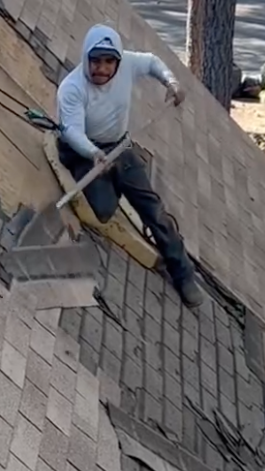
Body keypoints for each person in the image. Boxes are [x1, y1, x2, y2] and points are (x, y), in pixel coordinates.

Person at [56, 24, 204, 308]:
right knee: (103, 210)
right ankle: (110, 183)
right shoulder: (71, 89)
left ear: (118, 62)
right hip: (83, 152)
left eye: (109, 62)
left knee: (153, 209)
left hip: (119, 147)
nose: (102, 69)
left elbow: (151, 62)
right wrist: (94, 153)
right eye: (96, 61)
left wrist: (171, 83)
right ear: (86, 58)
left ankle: (183, 273)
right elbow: (72, 132)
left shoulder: (127, 66)